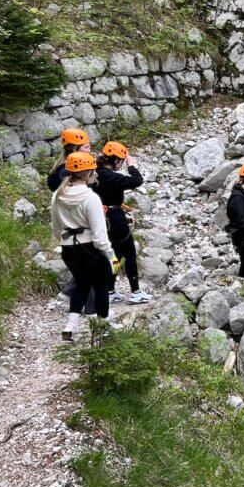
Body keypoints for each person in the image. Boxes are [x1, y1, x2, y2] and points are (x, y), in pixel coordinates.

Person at [50, 152, 118, 339]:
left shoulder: (57, 195)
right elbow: (99, 235)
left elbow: (56, 228)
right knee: (101, 284)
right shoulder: (91, 198)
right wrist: (111, 255)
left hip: (68, 249)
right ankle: (103, 327)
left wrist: (65, 240)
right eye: (93, 171)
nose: (96, 174)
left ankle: (70, 327)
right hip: (90, 248)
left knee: (82, 284)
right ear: (87, 173)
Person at [95, 141, 151, 305]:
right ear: (114, 160)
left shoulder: (95, 172)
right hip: (115, 218)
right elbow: (136, 181)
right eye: (120, 161)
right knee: (130, 254)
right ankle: (136, 292)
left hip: (103, 218)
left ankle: (110, 290)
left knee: (115, 255)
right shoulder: (111, 176)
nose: (121, 164)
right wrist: (131, 165)